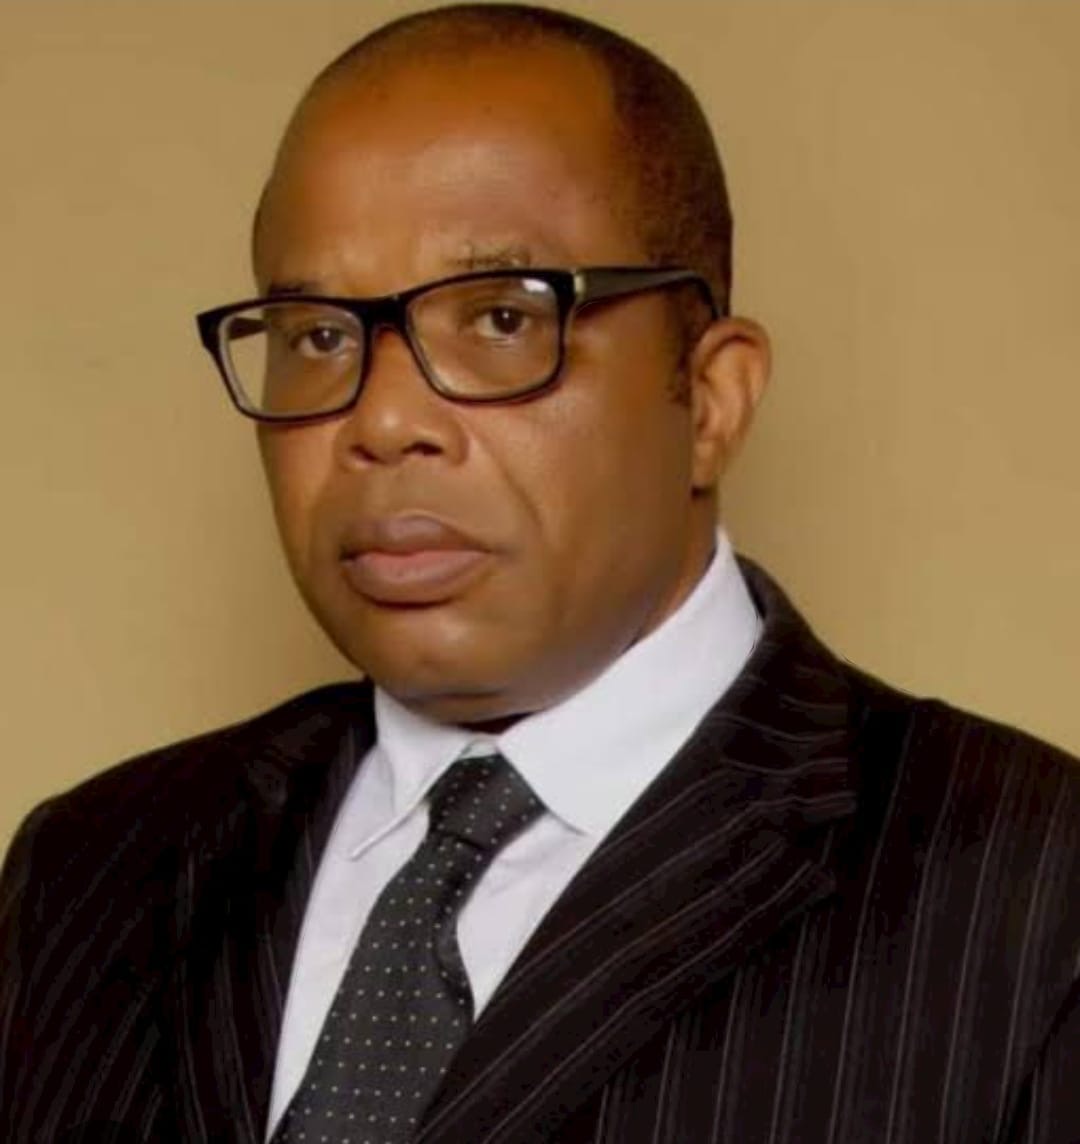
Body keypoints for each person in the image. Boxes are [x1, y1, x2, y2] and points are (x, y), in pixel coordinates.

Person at [1, 4, 1077, 1142]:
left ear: (711, 401)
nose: (385, 420)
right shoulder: (88, 869)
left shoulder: (1032, 895)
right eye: (318, 335)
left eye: (504, 319)